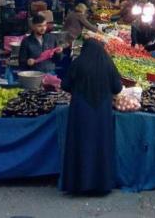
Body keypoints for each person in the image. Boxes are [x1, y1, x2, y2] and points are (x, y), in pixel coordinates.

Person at [60, 39, 122, 196]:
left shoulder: (78, 63)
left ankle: (79, 184)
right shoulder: (108, 63)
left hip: (80, 110)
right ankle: (101, 185)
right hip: (101, 112)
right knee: (101, 145)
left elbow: (65, 85)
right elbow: (117, 87)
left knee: (80, 145)